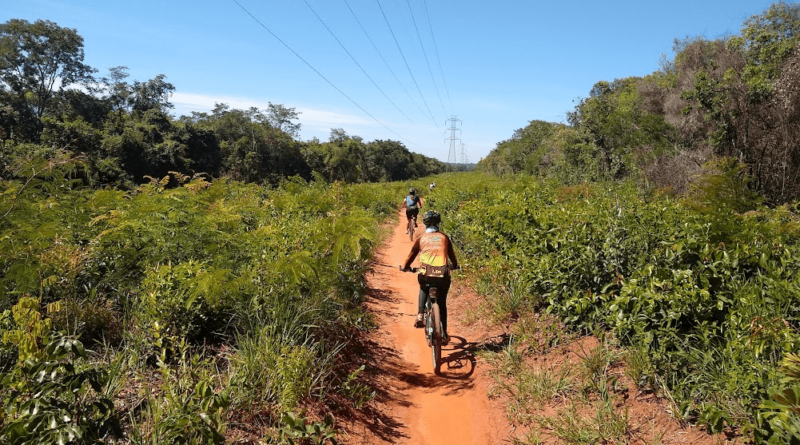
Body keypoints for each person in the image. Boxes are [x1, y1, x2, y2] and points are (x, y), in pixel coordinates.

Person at [401, 210, 459, 344]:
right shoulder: (444, 237)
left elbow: (411, 256)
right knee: (442, 303)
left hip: (426, 275)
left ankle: (420, 314)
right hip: (443, 276)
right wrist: (455, 265)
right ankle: (443, 333)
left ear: (425, 223)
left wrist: (405, 267)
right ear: (438, 223)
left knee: (423, 287)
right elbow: (452, 255)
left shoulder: (421, 238)